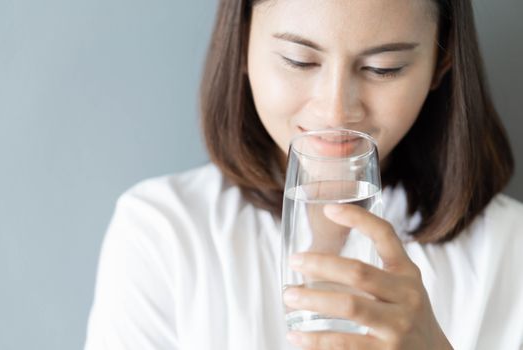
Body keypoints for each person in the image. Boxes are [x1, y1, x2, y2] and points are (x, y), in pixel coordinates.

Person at [84, 0, 523, 349]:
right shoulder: (163, 233)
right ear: (241, 44)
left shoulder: (510, 251)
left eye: (383, 68)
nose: (336, 111)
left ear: (440, 64)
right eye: (299, 60)